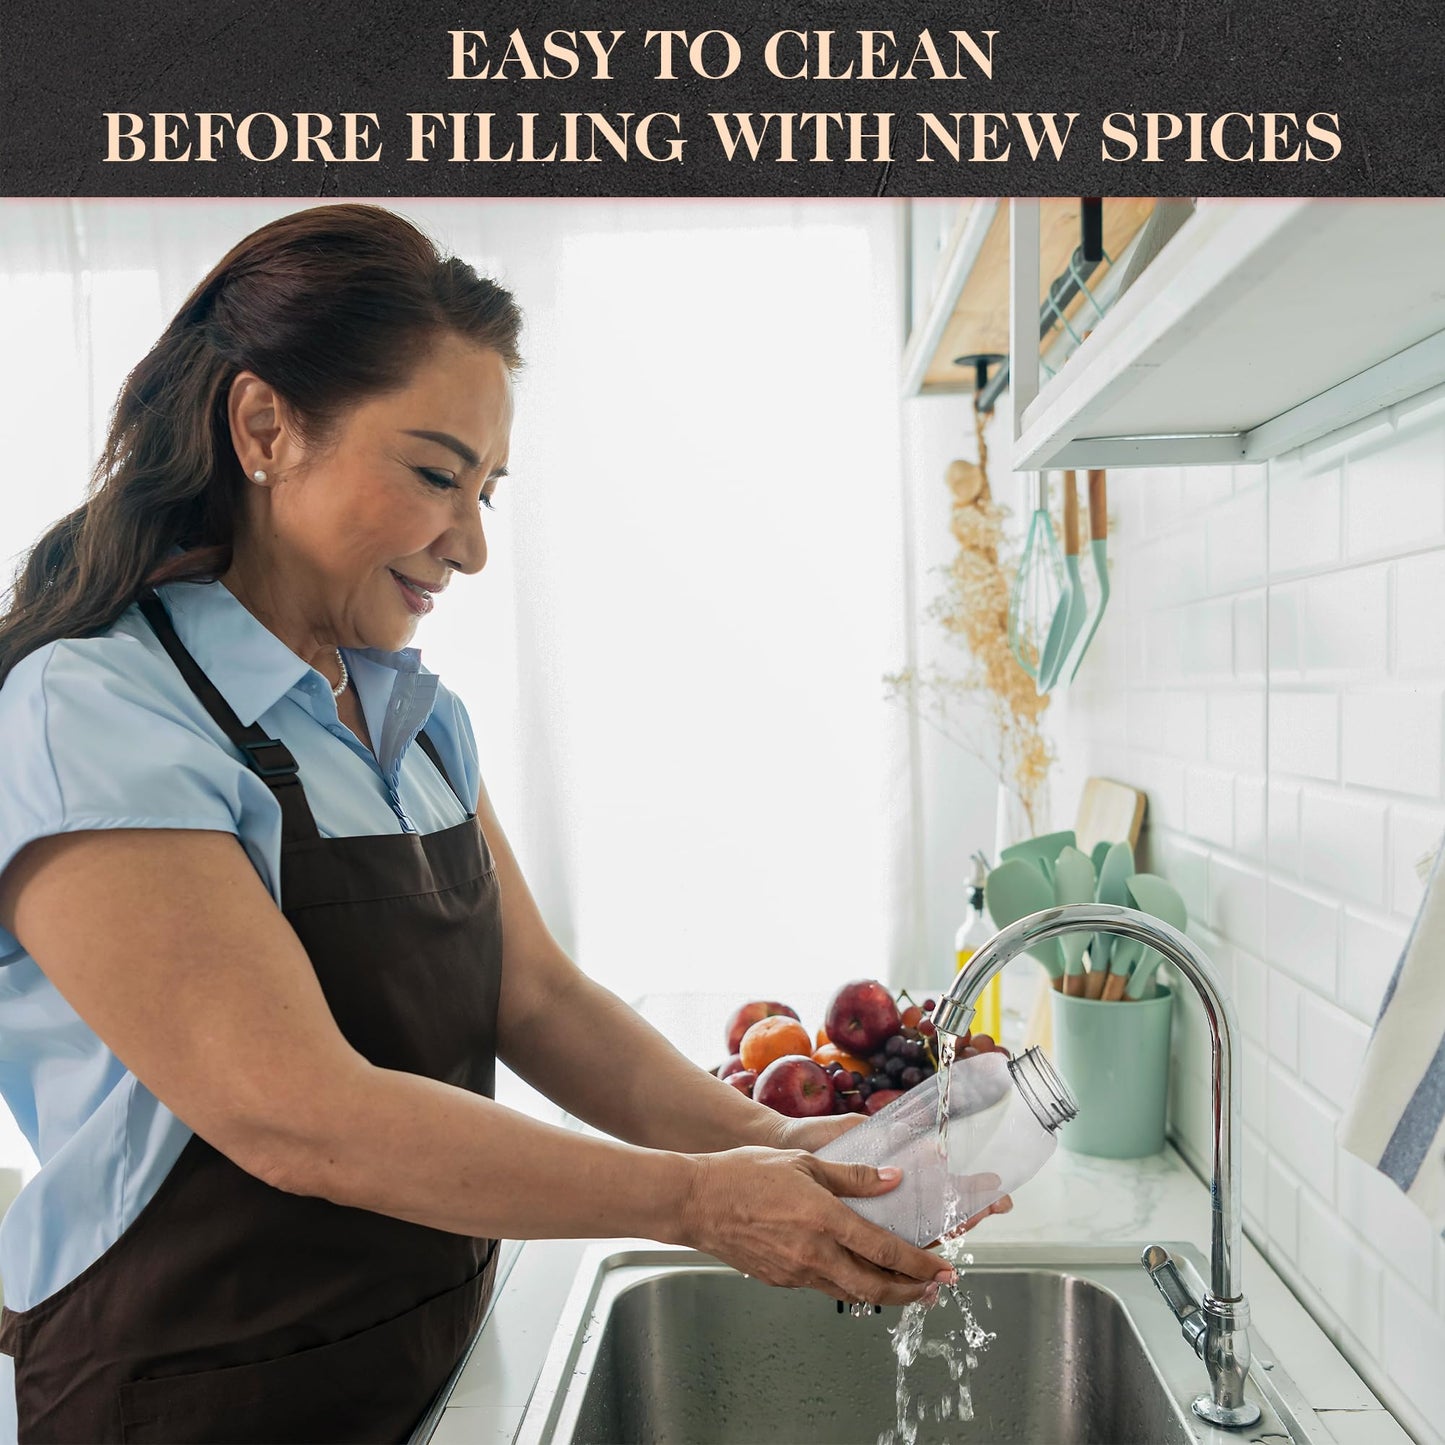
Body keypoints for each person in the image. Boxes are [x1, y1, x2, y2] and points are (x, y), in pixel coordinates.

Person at [0, 203, 1004, 1444]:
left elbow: (530, 997)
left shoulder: (413, 716)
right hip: (178, 1393)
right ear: (264, 427)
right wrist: (697, 1201)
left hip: (415, 1359)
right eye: (435, 474)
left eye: (487, 489)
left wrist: (798, 1146)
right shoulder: (95, 708)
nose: (470, 544)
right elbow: (293, 1110)